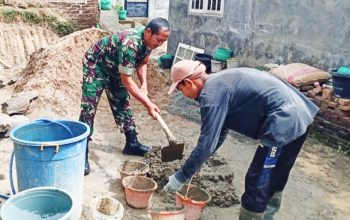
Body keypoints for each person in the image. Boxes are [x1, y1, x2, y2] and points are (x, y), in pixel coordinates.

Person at [164, 59, 319, 220]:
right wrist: (200, 160)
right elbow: (219, 133)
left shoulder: (211, 95)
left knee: (258, 180)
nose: (183, 95)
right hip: (300, 115)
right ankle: (268, 216)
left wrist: (181, 176)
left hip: (283, 123)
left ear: (188, 83)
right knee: (276, 174)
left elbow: (206, 145)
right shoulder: (220, 82)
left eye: (180, 89)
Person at [79, 18, 170, 176]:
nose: (160, 44)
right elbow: (127, 81)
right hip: (97, 65)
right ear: (148, 32)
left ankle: (132, 143)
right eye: (159, 40)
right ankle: (81, 153)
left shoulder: (149, 43)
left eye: (163, 41)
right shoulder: (131, 43)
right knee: (89, 107)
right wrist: (148, 104)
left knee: (122, 101)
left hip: (115, 67)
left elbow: (143, 62)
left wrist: (144, 85)